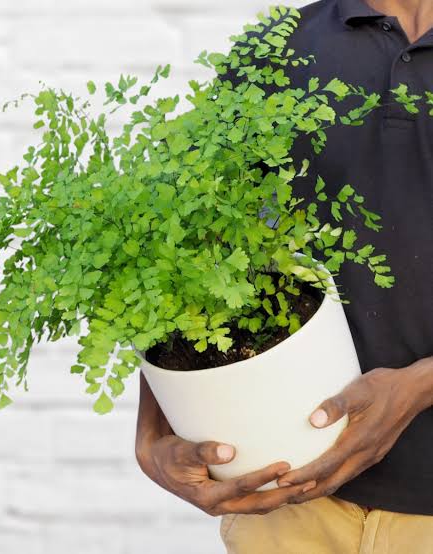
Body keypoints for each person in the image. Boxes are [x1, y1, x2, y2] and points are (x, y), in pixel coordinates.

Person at [135, 0, 433, 551]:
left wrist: (418, 386)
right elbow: (199, 245)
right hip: (287, 505)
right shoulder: (275, 49)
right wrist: (155, 428)